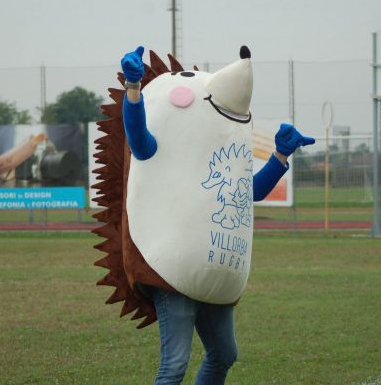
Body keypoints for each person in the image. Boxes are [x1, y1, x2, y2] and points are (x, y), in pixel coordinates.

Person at [120, 46, 314, 385]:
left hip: (214, 268)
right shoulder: (159, 148)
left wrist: (280, 156)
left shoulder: (211, 159)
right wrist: (133, 89)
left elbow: (248, 191)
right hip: (173, 270)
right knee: (174, 366)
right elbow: (138, 138)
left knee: (225, 354)